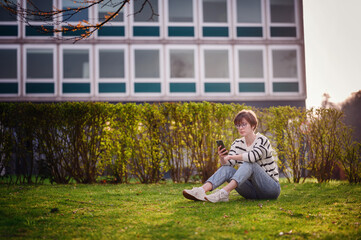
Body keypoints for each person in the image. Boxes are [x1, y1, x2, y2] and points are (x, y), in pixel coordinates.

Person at [183, 109, 280, 203]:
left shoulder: (262, 140)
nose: (240, 128)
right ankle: (201, 191)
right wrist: (223, 158)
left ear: (253, 125)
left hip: (270, 189)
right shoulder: (237, 143)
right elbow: (229, 163)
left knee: (250, 164)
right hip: (251, 192)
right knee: (227, 169)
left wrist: (231, 157)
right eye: (238, 125)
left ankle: (223, 193)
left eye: (244, 124)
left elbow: (252, 157)